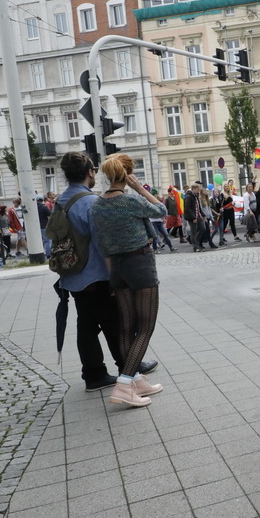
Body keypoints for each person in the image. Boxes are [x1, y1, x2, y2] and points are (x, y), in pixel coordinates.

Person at [55, 152, 159, 392]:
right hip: (97, 274)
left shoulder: (62, 200)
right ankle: (130, 372)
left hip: (73, 274)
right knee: (116, 324)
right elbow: (104, 242)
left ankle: (94, 374)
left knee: (87, 326)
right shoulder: (91, 202)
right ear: (90, 172)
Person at [88, 153, 165, 406]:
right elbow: (162, 210)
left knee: (126, 327)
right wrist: (139, 188)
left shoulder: (97, 205)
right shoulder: (130, 201)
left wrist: (112, 277)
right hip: (139, 263)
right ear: (128, 174)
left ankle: (136, 379)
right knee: (145, 327)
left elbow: (103, 246)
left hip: (117, 268)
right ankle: (124, 385)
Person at [183, 183, 203, 252]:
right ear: (193, 189)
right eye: (197, 189)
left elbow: (198, 206)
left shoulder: (196, 195)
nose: (198, 191)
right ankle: (195, 246)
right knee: (193, 231)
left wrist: (203, 215)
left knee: (203, 228)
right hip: (192, 216)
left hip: (198, 215)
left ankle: (194, 241)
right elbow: (187, 208)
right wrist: (193, 217)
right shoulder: (188, 196)